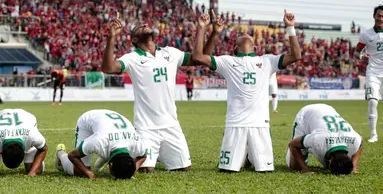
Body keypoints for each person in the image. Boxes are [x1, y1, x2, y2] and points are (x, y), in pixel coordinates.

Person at [101, 11, 222, 172]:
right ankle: (148, 155)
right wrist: (112, 37)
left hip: (171, 125)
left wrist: (208, 30)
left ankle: (156, 154)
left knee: (184, 169)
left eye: (145, 24)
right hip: (146, 127)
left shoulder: (170, 53)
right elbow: (108, 68)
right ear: (134, 39)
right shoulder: (131, 58)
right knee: (146, 171)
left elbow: (200, 58)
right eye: (139, 27)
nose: (144, 24)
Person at [192, 10, 301, 172]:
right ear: (235, 47)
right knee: (227, 170)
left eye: (248, 34)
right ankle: (246, 154)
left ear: (255, 47)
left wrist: (290, 28)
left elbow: (296, 56)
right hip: (235, 125)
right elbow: (198, 57)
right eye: (240, 35)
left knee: (265, 171)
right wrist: (205, 29)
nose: (244, 33)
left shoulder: (267, 61)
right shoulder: (227, 62)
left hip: (260, 125)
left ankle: (248, 154)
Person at [54, 109, 146, 179]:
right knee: (79, 171)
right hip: (88, 121)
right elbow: (72, 155)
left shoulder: (137, 144)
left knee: (107, 149)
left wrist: (133, 170)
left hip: (109, 122)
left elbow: (144, 156)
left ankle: (97, 167)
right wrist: (91, 174)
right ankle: (60, 153)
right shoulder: (99, 141)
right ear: (110, 165)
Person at [286, 104, 363, 175]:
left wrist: (354, 166)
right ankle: (306, 148)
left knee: (334, 165)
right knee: (294, 167)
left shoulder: (354, 141)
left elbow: (360, 141)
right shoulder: (318, 141)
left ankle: (307, 147)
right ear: (330, 160)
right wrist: (305, 169)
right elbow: (292, 144)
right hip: (307, 114)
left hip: (329, 110)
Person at [354, 5, 383, 143]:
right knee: (372, 101)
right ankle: (373, 134)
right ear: (374, 16)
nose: (381, 19)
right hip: (373, 73)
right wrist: (361, 58)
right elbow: (356, 52)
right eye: (379, 15)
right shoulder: (366, 34)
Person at [0, 108, 48, 176]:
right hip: (2, 114)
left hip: (25, 116)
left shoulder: (33, 136)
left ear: (25, 152)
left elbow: (44, 148)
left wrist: (33, 171)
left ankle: (31, 148)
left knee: (37, 170)